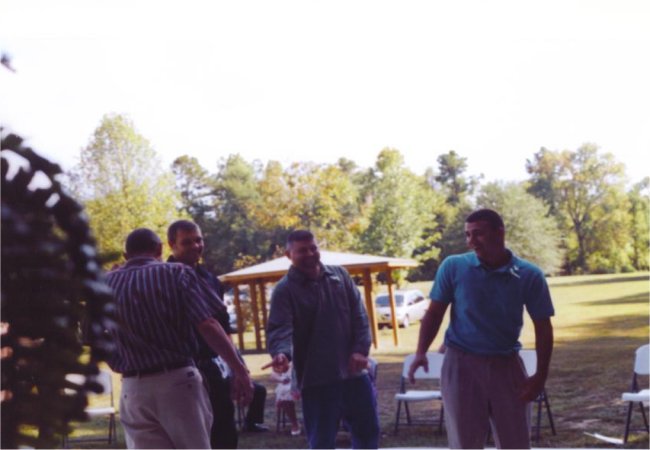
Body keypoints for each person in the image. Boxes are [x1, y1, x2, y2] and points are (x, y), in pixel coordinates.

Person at [408, 209, 554, 449]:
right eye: (468, 235)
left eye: (478, 234)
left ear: (500, 233)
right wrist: (421, 351)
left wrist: (540, 376)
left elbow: (544, 328)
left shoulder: (529, 275)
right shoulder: (454, 266)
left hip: (506, 365)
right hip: (461, 364)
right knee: (465, 443)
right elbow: (434, 313)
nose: (471, 241)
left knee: (516, 442)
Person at [105, 228, 254, 449]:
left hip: (132, 387)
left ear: (126, 256)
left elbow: (92, 336)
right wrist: (239, 369)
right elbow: (208, 324)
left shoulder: (105, 284)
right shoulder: (177, 273)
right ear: (159, 249)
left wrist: (122, 359)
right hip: (176, 380)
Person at [266, 229, 380, 449]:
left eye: (313, 247)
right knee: (321, 441)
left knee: (368, 433)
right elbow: (280, 328)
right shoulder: (284, 290)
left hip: (354, 374)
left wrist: (360, 349)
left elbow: (359, 316)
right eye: (302, 250)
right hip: (317, 379)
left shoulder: (340, 276)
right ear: (289, 255)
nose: (310, 253)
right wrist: (281, 353)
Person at [166, 220, 269, 449]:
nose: (195, 246)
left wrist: (236, 367)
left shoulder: (209, 278)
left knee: (224, 429)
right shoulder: (164, 277)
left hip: (214, 366)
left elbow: (222, 327)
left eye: (198, 240)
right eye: (187, 242)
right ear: (172, 244)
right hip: (181, 369)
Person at [265, 360, 301, 436]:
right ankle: (295, 424)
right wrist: (282, 380)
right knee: (285, 392)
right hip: (290, 381)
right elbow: (272, 376)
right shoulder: (284, 357)